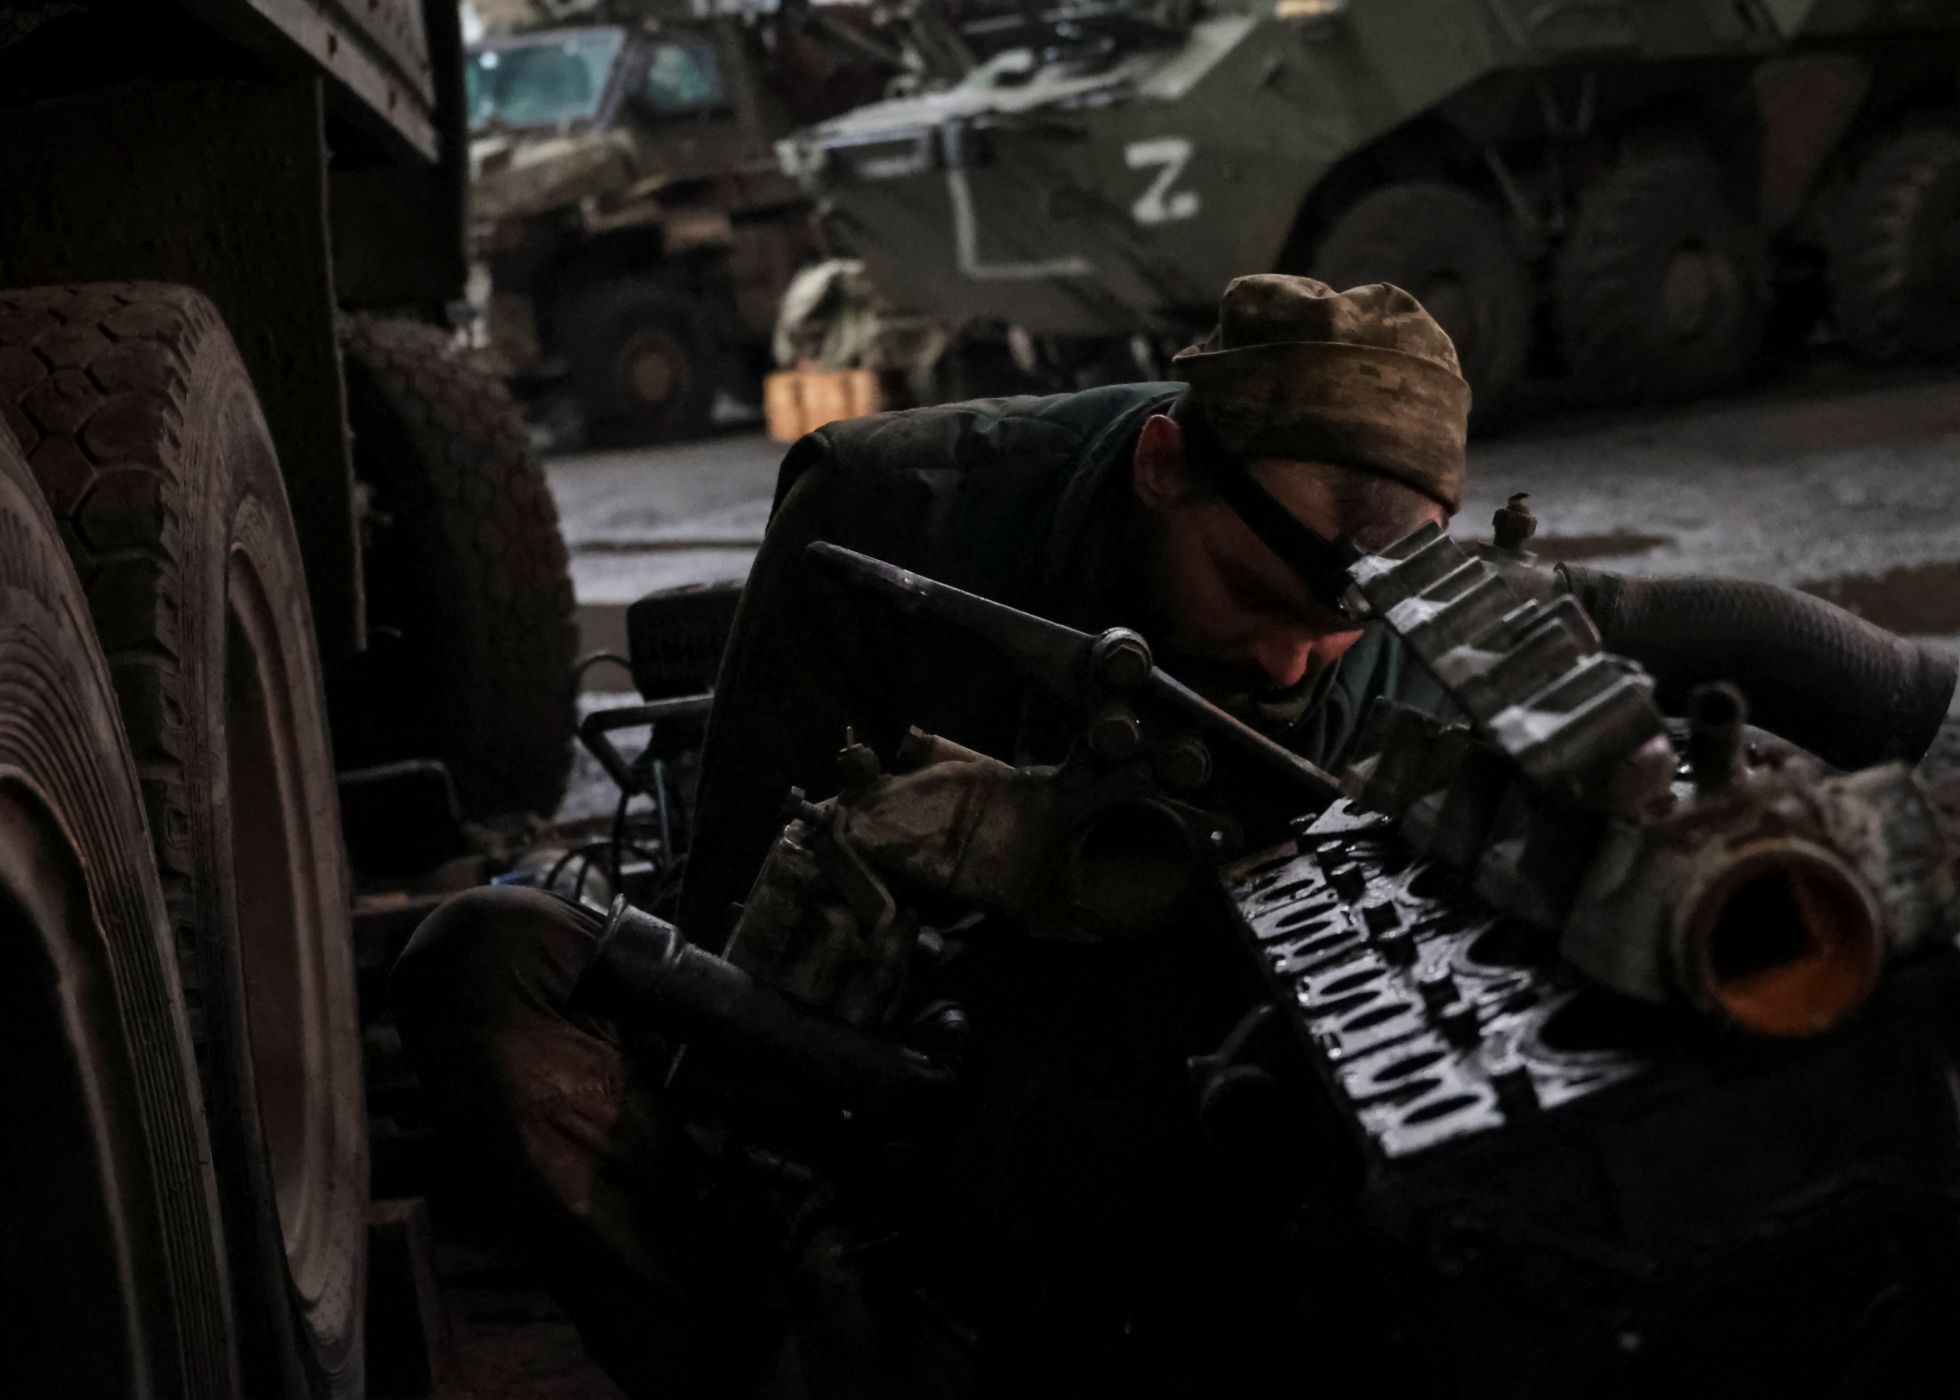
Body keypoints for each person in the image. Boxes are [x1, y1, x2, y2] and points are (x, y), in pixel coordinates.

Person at [392, 275, 1484, 1396]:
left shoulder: (1439, 652)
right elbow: (737, 946)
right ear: (1162, 465)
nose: (1287, 660)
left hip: (1197, 1170)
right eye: (1249, 592)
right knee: (490, 958)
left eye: (1339, 630)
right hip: (885, 1102)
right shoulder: (888, 511)